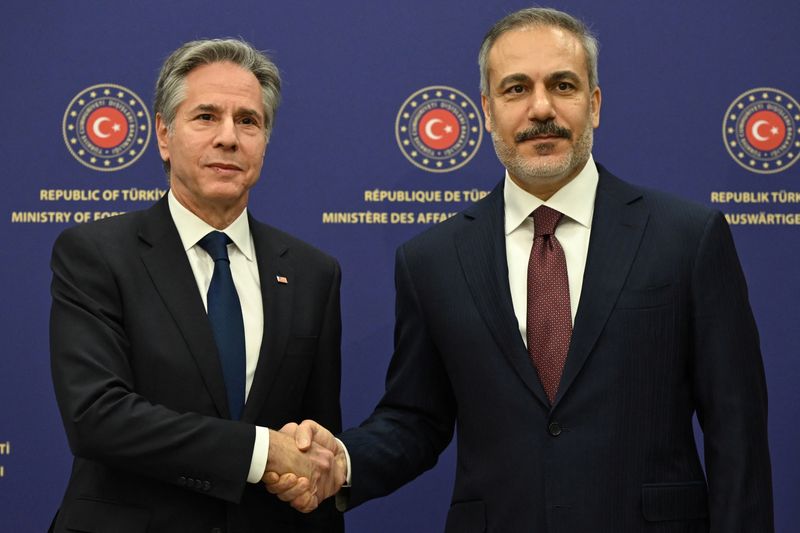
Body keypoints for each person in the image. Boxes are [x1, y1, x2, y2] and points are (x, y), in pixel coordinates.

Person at [269, 7, 774, 532]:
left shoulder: (687, 238)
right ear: (486, 111)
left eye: (563, 85)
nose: (540, 108)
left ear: (594, 104)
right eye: (515, 89)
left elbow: (736, 432)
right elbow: (415, 419)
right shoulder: (432, 260)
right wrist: (343, 462)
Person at [49, 38, 344, 532]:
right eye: (206, 116)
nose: (229, 137)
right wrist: (260, 450)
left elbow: (311, 437)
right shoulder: (96, 254)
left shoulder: (314, 273)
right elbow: (96, 417)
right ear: (164, 135)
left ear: (266, 139)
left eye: (248, 121)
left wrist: (310, 464)